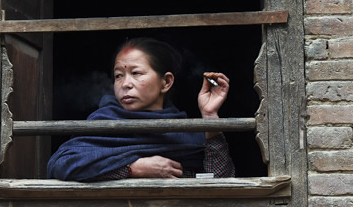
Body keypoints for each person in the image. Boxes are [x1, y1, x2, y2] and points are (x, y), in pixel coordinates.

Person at [46, 37, 235, 181]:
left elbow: (219, 180)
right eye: (119, 76)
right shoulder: (102, 123)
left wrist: (210, 116)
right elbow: (60, 166)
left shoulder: (184, 131)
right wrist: (132, 169)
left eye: (136, 73)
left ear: (166, 82)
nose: (125, 84)